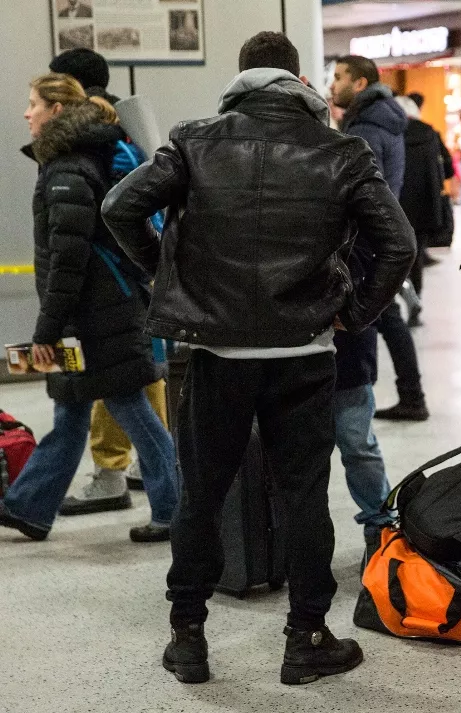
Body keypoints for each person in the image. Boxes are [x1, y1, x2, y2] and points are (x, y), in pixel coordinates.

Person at [101, 32, 415, 685]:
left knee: (200, 496)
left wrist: (165, 275)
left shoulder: (195, 138)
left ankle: (187, 639)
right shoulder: (341, 150)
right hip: (304, 350)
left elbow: (120, 206)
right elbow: (399, 246)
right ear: (300, 79)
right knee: (303, 495)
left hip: (216, 352)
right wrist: (354, 313)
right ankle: (306, 638)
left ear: (240, 77)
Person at [0, 73, 178, 544]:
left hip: (99, 316)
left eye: (33, 103)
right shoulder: (78, 160)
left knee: (129, 407)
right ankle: (29, 508)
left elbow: (67, 260)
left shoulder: (68, 170)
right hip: (102, 310)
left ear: (57, 111)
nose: (26, 113)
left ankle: (174, 510)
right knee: (72, 410)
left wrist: (46, 330)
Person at [47, 47, 169, 514]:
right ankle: (142, 469)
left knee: (111, 374)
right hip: (140, 267)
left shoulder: (87, 131)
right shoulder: (125, 122)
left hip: (111, 275)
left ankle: (112, 471)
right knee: (143, 369)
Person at [330, 55, 429, 422]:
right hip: (375, 239)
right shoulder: (381, 120)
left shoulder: (366, 129)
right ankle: (412, 394)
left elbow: (361, 193)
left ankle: (412, 396)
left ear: (359, 84)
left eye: (339, 77)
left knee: (384, 316)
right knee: (389, 317)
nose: (332, 84)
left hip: (365, 244)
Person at [394, 95, 454, 314]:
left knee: (394, 254)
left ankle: (403, 293)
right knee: (417, 253)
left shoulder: (394, 134)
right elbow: (448, 167)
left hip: (398, 202)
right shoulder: (430, 132)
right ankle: (416, 294)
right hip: (426, 205)